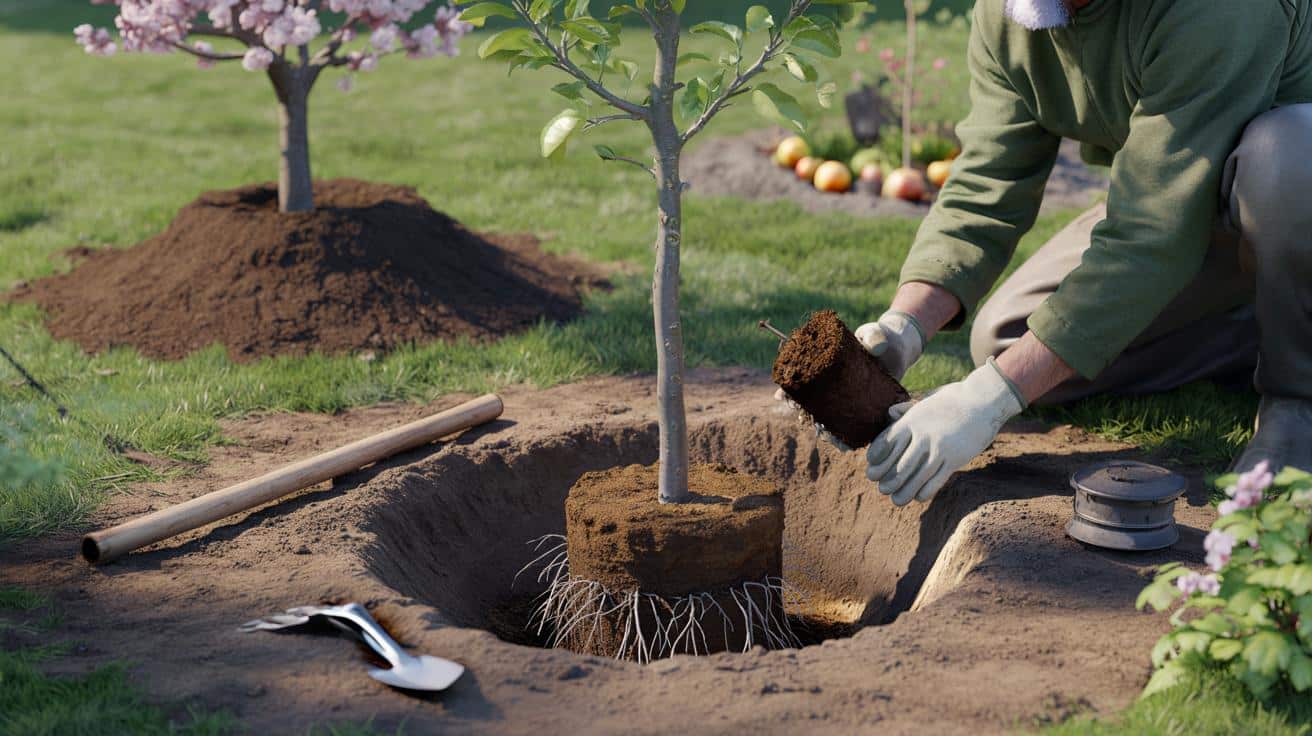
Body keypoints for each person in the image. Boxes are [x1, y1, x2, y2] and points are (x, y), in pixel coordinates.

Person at [857, 0, 1312, 506]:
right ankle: (1267, 327)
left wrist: (991, 397)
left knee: (1289, 155)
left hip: (1289, 197)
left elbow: (1153, 233)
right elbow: (989, 180)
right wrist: (905, 327)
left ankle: (1298, 405)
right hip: (1197, 196)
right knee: (1007, 340)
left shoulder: (1219, 10)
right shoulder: (1011, 12)